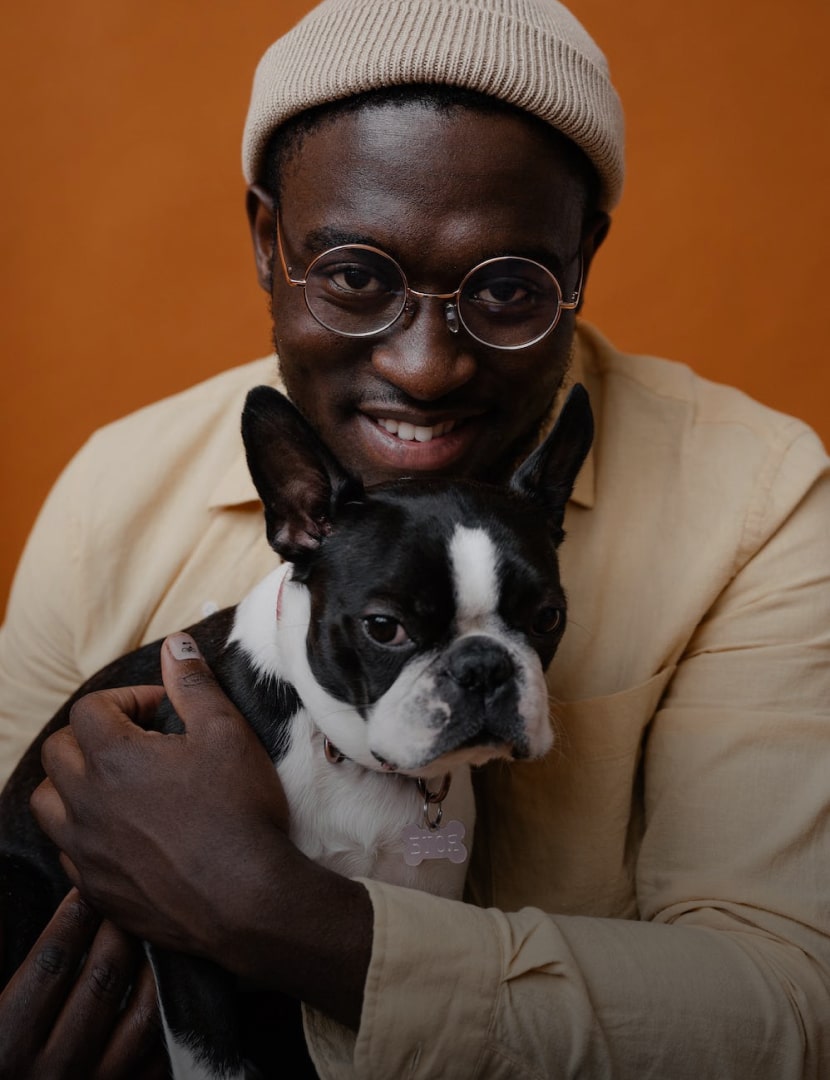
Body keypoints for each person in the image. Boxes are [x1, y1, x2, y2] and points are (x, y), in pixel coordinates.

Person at [1, 0, 829, 1076]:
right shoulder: (117, 489)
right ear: (268, 244)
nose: (426, 366)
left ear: (582, 257)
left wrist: (269, 911)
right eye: (354, 276)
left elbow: (788, 1012)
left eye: (508, 288)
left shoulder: (760, 507)